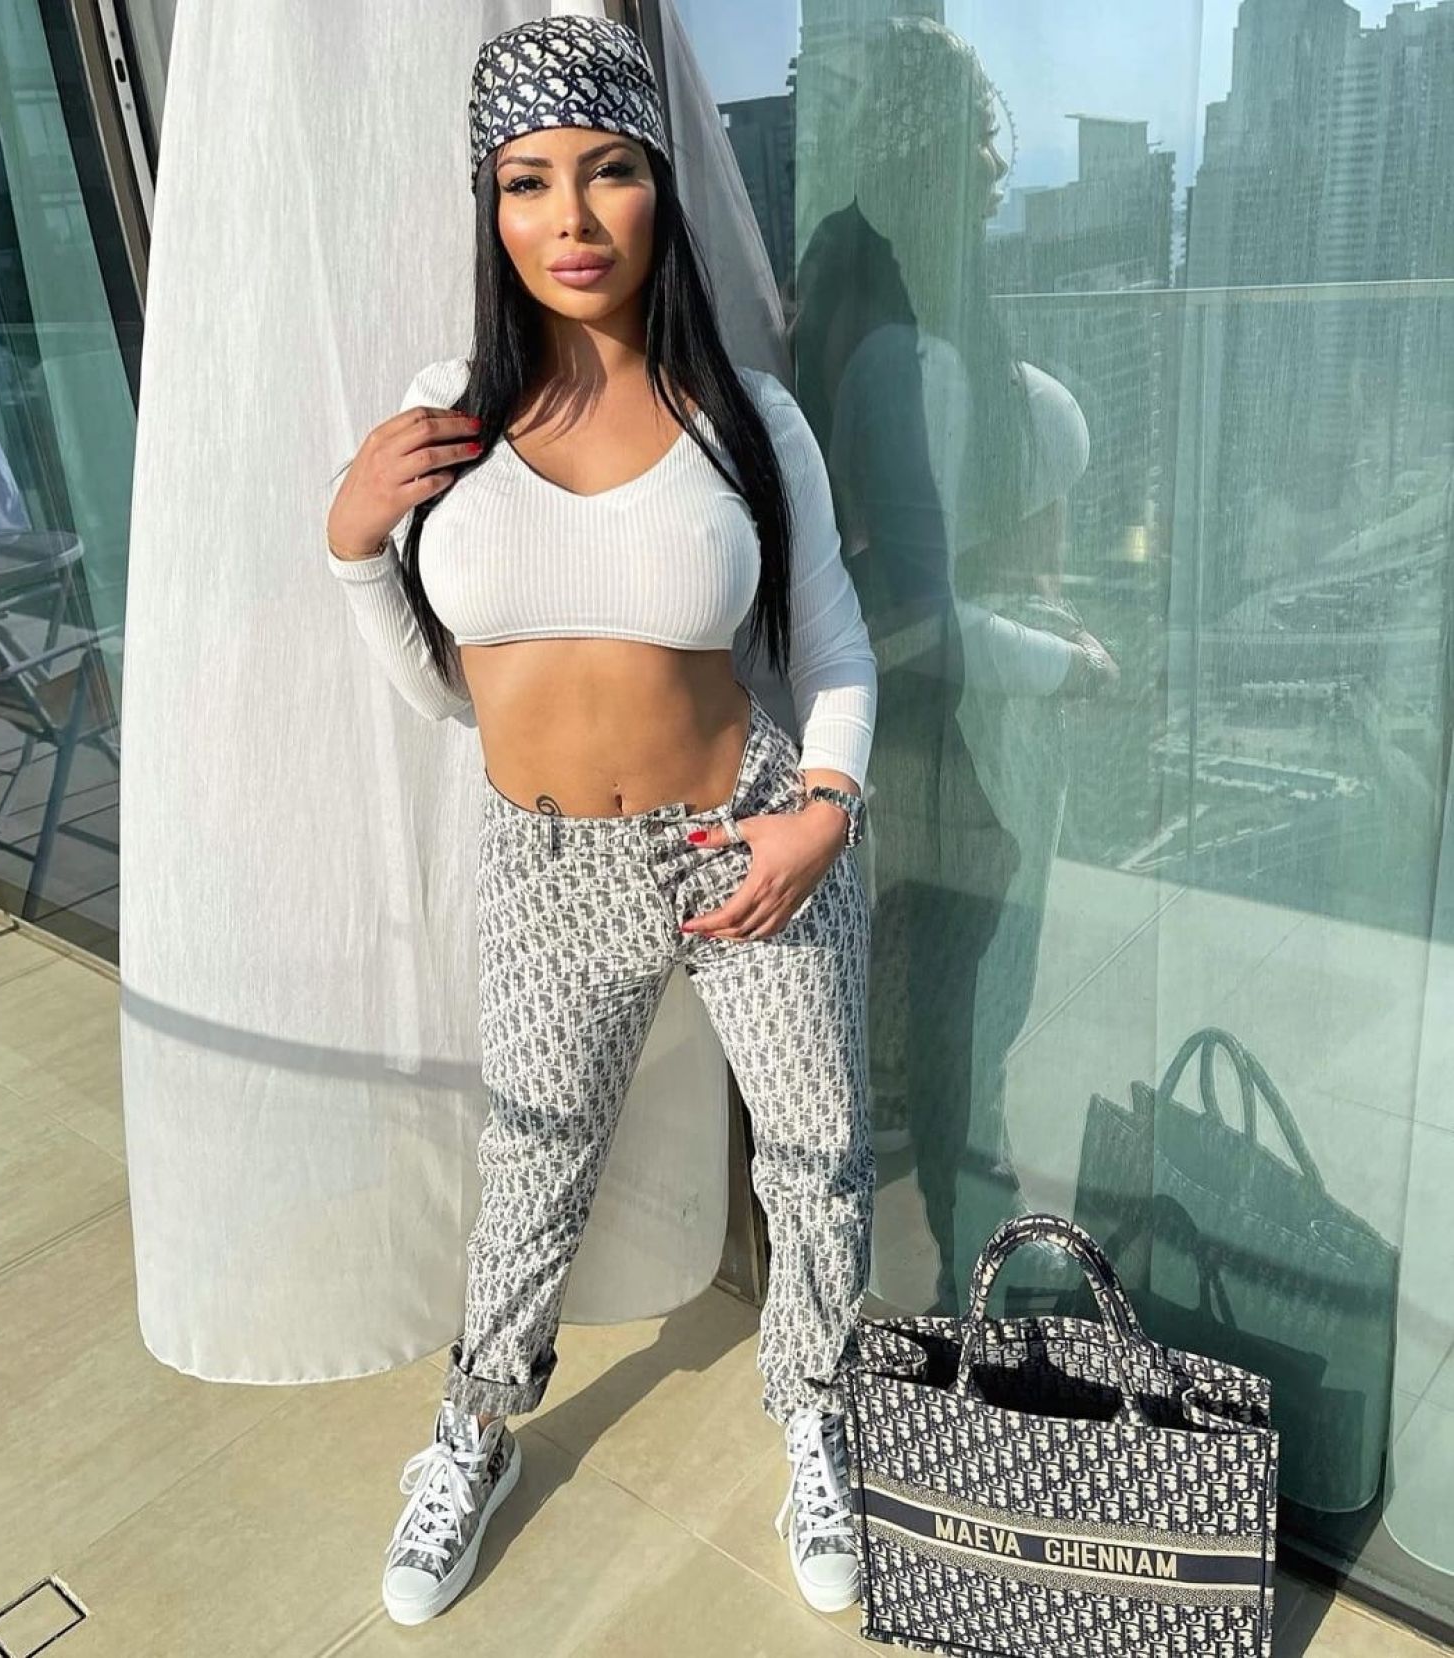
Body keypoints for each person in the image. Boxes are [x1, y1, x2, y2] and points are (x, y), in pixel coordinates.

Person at [322, 15, 877, 1629]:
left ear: (658, 190)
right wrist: (353, 547)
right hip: (544, 855)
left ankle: (817, 1414)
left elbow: (834, 649)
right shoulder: (446, 418)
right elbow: (452, 697)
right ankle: (475, 1428)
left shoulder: (745, 417)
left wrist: (822, 816)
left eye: (609, 171)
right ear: (490, 206)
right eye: (527, 181)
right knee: (533, 1155)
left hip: (748, 833)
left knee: (818, 1152)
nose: (570, 217)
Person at [793, 17, 1115, 1318]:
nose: (994, 168)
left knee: (933, 1012)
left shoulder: (861, 303)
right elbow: (921, 614)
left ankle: (934, 1267)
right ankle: (959, 1297)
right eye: (977, 140)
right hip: (949, 737)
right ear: (935, 154)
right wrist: (1067, 668)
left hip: (914, 732)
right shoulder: (908, 347)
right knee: (967, 1015)